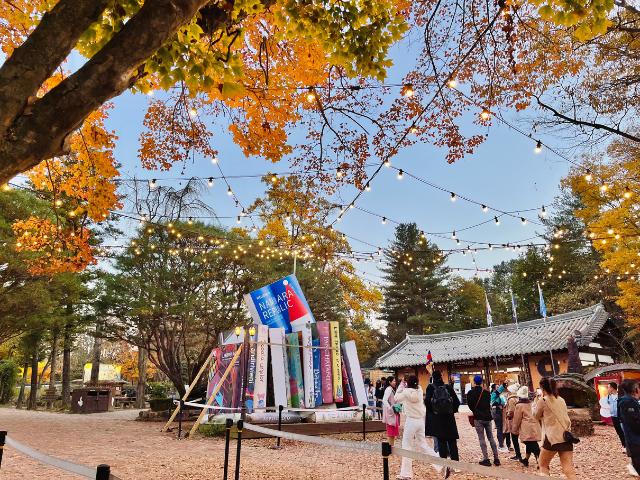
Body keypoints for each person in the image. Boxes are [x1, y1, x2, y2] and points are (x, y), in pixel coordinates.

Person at [395, 375, 440, 480]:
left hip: (411, 420)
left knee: (406, 445)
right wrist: (407, 384)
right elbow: (414, 386)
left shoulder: (406, 392)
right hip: (420, 420)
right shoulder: (419, 390)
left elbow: (396, 398)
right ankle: (439, 462)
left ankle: (406, 474)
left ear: (407, 383)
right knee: (423, 444)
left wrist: (401, 385)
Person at [533, 377, 577, 480]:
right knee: (568, 469)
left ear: (542, 388)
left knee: (543, 465)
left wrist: (536, 401)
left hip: (552, 438)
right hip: (566, 437)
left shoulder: (543, 400)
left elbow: (536, 416)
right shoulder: (561, 399)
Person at [425, 370, 460, 479]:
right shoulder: (448, 387)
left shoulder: (430, 388)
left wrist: (434, 412)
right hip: (449, 418)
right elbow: (457, 402)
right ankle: (456, 465)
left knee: (441, 441)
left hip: (437, 418)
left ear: (433, 378)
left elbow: (426, 402)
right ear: (441, 377)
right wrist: (451, 410)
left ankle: (444, 464)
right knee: (452, 441)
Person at [466, 374, 500, 467]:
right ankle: (496, 459)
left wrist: (475, 411)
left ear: (474, 382)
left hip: (478, 418)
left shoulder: (470, 393)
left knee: (482, 438)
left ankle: (486, 459)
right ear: (481, 382)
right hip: (487, 417)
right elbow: (488, 404)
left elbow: (470, 405)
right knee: (491, 438)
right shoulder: (487, 392)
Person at [512, 385, 541, 468]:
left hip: (526, 428)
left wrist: (514, 430)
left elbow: (517, 419)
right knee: (530, 443)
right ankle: (526, 460)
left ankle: (540, 461)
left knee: (532, 444)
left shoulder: (519, 405)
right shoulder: (531, 403)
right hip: (534, 426)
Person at [618, 379, 640, 476]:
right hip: (636, 440)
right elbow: (635, 424)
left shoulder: (629, 401)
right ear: (635, 389)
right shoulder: (628, 402)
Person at [503, 383, 522, 461]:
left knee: (514, 439)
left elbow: (511, 411)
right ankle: (519, 454)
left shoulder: (511, 399)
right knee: (516, 438)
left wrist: (507, 415)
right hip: (517, 420)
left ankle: (518, 455)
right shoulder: (517, 398)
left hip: (512, 421)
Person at [490, 383, 509, 452]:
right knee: (499, 428)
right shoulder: (494, 394)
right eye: (497, 387)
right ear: (494, 388)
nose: (498, 388)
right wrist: (504, 384)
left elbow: (503, 402)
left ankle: (502, 444)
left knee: (502, 428)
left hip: (499, 411)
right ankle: (501, 445)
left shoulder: (497, 395)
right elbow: (499, 392)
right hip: (496, 412)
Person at [382, 376, 400, 446]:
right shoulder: (389, 389)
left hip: (392, 413)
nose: (395, 382)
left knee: (392, 432)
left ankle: (391, 447)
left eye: (395, 381)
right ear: (389, 382)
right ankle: (390, 448)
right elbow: (384, 400)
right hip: (391, 413)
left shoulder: (391, 389)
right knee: (390, 432)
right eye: (394, 381)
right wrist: (390, 408)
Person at [608, 381, 625, 448]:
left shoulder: (620, 396)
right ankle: (624, 445)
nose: (608, 389)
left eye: (608, 387)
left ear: (612, 388)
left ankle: (627, 445)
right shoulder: (609, 396)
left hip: (620, 416)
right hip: (613, 416)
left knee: (623, 430)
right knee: (618, 432)